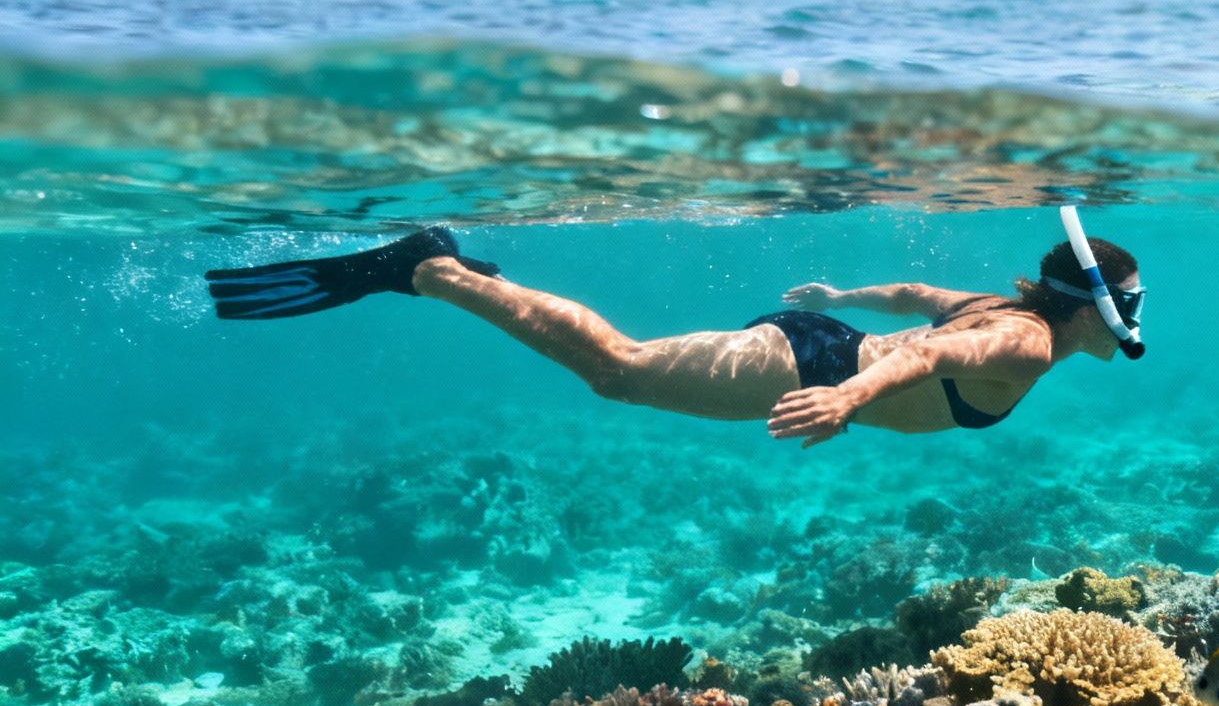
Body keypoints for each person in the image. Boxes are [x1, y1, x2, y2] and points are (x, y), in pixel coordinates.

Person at [202, 217, 1144, 448]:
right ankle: (431, 268)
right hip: (809, 364)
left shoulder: (1008, 309)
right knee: (616, 370)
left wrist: (840, 289)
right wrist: (847, 398)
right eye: (1131, 303)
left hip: (814, 337)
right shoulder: (1023, 344)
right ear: (1094, 306)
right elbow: (939, 352)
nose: (1137, 321)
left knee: (620, 369)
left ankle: (465, 278)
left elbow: (915, 294)